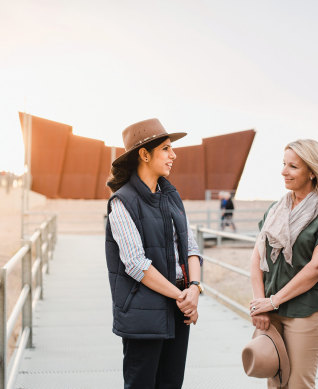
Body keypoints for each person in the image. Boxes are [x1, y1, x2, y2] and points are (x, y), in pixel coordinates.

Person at [105, 118, 204, 389]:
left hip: (178, 308)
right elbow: (136, 264)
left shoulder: (171, 196)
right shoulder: (122, 202)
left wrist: (194, 288)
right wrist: (183, 296)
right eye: (166, 149)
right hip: (143, 314)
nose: (174, 155)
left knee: (171, 384)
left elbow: (190, 247)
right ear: (144, 154)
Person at [249, 139, 318, 388]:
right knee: (275, 382)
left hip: (305, 311)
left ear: (312, 171)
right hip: (271, 311)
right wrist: (261, 305)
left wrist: (273, 300)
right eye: (283, 164)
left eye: (293, 166)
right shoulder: (275, 209)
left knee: (299, 384)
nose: (284, 171)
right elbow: (257, 257)